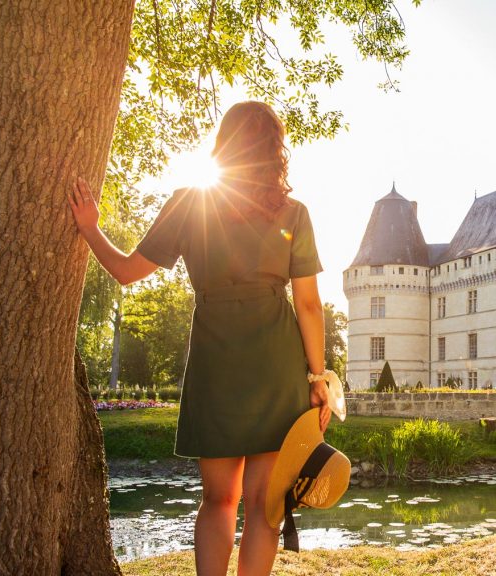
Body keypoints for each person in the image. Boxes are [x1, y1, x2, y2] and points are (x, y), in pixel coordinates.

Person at [69, 101, 332, 576]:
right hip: (276, 364)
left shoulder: (191, 201)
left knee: (217, 500)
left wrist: (90, 228)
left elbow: (128, 271)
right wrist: (319, 376)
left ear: (224, 146)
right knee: (262, 506)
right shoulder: (294, 212)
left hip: (215, 360)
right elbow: (309, 306)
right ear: (276, 152)